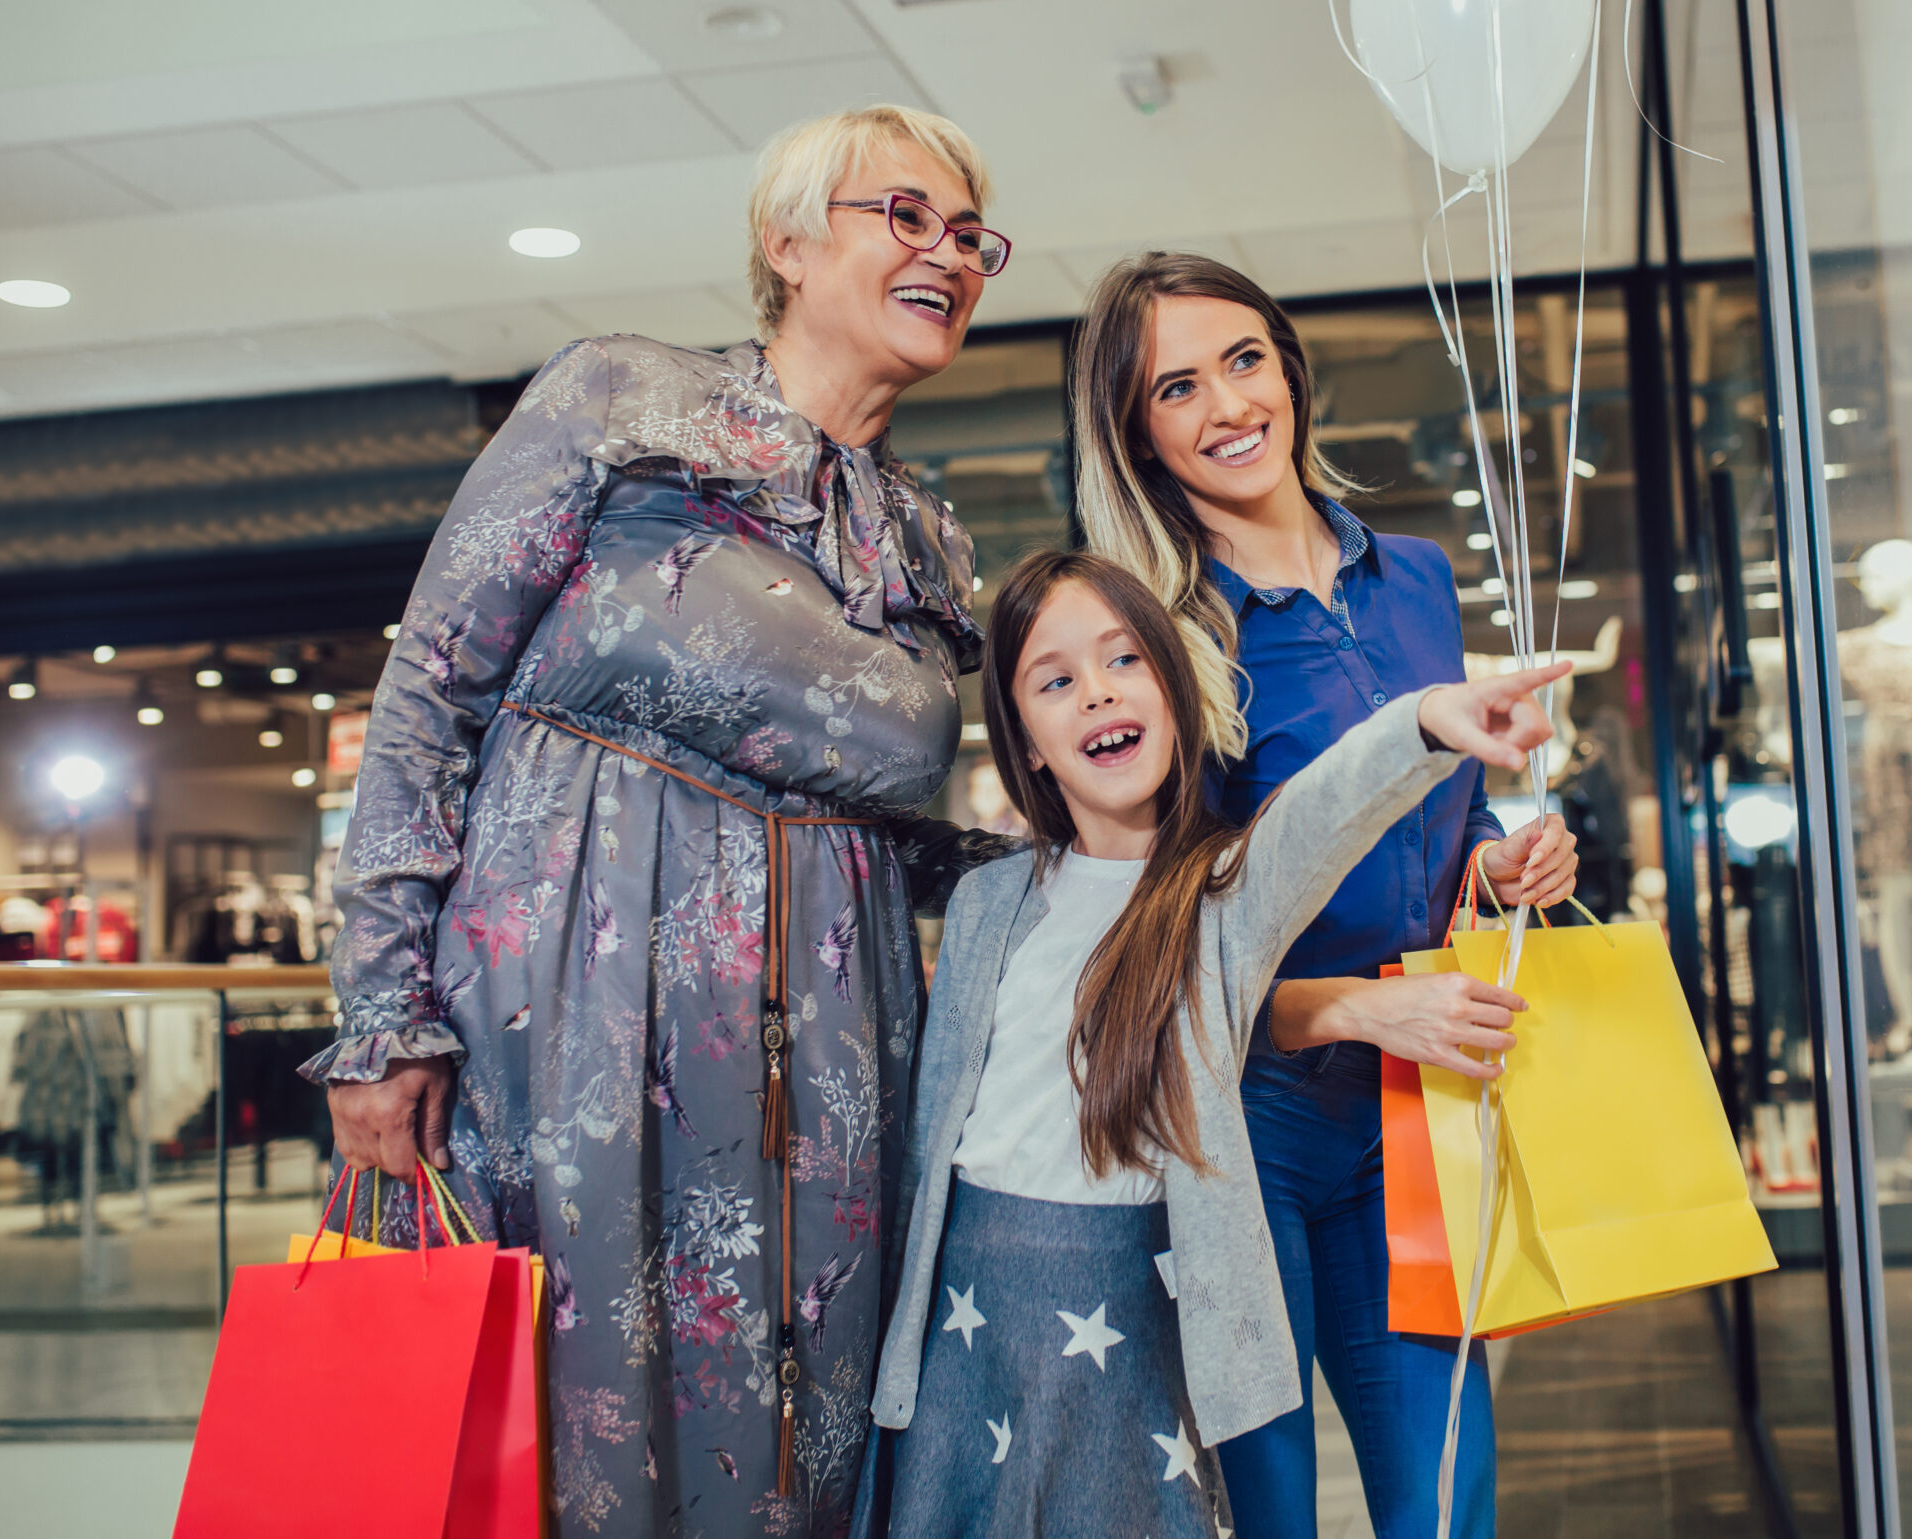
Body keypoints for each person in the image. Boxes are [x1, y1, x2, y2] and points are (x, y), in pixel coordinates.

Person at [305, 104, 1016, 1538]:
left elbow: (909, 820)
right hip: (559, 1013)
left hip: (833, 1054)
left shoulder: (931, 539)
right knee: (553, 1416)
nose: (948, 251)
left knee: (804, 1417)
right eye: (906, 215)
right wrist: (383, 1013)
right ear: (788, 239)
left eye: (969, 234)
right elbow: (432, 689)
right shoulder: (623, 396)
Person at [866, 550, 1571, 1536]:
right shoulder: (989, 901)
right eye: (1055, 680)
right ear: (1024, 741)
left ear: (1171, 688)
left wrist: (1423, 726)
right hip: (971, 1322)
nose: (1097, 694)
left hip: (1127, 1319)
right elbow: (935, 1121)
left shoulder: (1222, 897)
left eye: (1124, 663)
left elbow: (1322, 815)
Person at [1068, 252, 1580, 1537]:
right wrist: (1347, 1011)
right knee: (1267, 1510)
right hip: (1245, 1124)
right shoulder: (1159, 629)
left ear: (1289, 369)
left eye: (1243, 361)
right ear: (1137, 434)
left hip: (1416, 1106)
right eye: (1175, 388)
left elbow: (1422, 831)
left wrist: (1495, 867)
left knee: (1447, 1494)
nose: (1226, 404)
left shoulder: (1410, 577)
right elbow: (1155, 939)